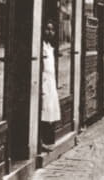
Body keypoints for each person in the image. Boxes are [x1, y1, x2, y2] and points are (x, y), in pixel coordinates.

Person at [41, 21, 61, 151]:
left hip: (51, 82)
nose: (50, 32)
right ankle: (43, 141)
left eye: (52, 29)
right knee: (44, 109)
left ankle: (49, 140)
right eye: (47, 29)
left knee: (50, 109)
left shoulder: (49, 47)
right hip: (44, 82)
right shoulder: (41, 47)